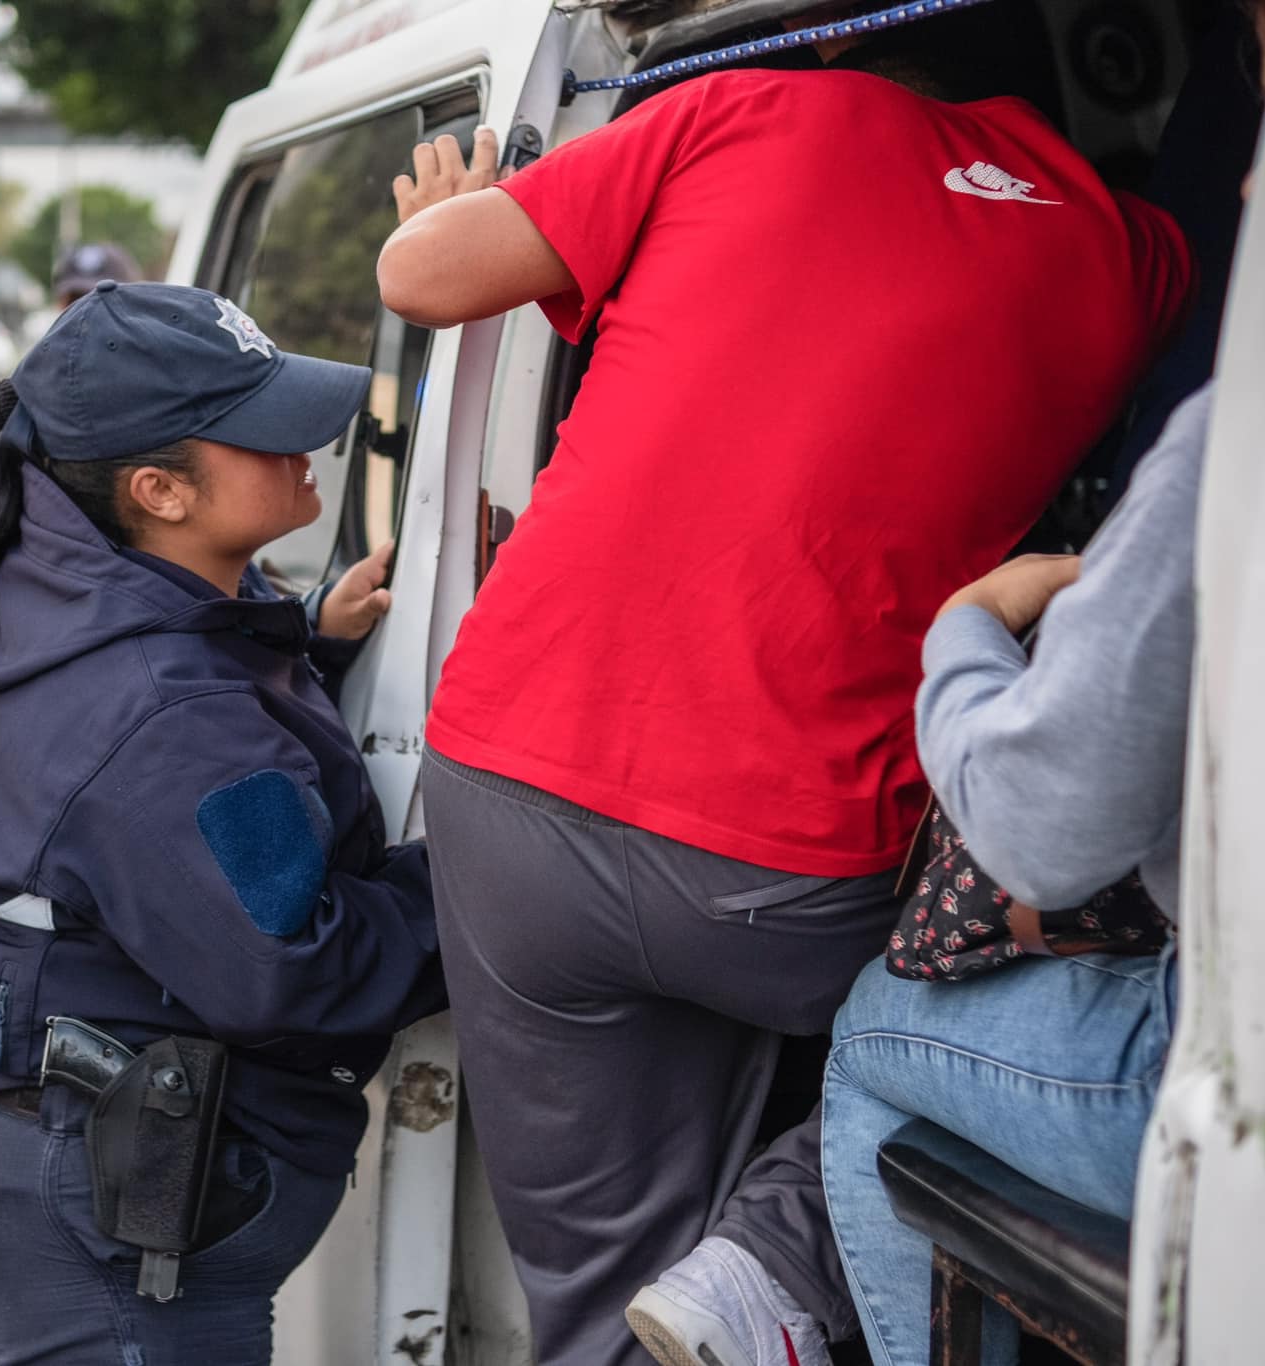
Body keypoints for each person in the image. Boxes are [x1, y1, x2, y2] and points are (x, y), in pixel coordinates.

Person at [373, 15, 1193, 1366]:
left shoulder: (737, 113)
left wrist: (460, 205)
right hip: (793, 873)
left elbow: (421, 276)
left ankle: (713, 1299)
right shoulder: (1132, 253)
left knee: (598, 1294)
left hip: (512, 792)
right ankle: (769, 1257)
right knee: (962, 1049)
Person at [822, 7, 1265, 1362]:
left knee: (869, 1036)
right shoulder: (1143, 282)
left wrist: (971, 625)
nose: (1255, 181)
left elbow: (1044, 817)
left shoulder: (1244, 432)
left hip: (1241, 1071)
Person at [0, 280, 444, 1365]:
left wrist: (308, 646)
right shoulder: (167, 709)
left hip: (87, 1170)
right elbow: (298, 967)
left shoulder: (87, 603)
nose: (302, 448)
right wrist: (494, 868)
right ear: (158, 490)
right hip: (112, 1217)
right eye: (258, 432)